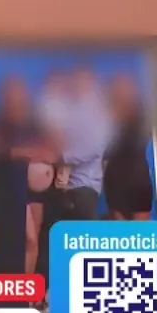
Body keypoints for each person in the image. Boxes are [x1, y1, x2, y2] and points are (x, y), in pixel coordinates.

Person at [0, 76, 56, 281]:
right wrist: (21, 153)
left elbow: (51, 152)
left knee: (32, 241)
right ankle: (12, 287)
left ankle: (26, 287)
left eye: (19, 93)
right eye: (11, 94)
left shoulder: (33, 126)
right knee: (22, 240)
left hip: (35, 191)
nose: (16, 98)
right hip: (8, 189)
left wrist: (44, 155)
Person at [54, 66, 113, 221]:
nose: (77, 86)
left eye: (82, 82)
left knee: (83, 231)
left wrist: (63, 158)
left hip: (84, 187)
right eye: (75, 82)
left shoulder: (99, 115)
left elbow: (93, 148)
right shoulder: (71, 112)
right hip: (65, 188)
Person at [104, 74, 156, 220]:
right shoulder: (110, 120)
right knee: (122, 230)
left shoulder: (139, 119)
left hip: (136, 180)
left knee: (138, 231)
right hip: (117, 181)